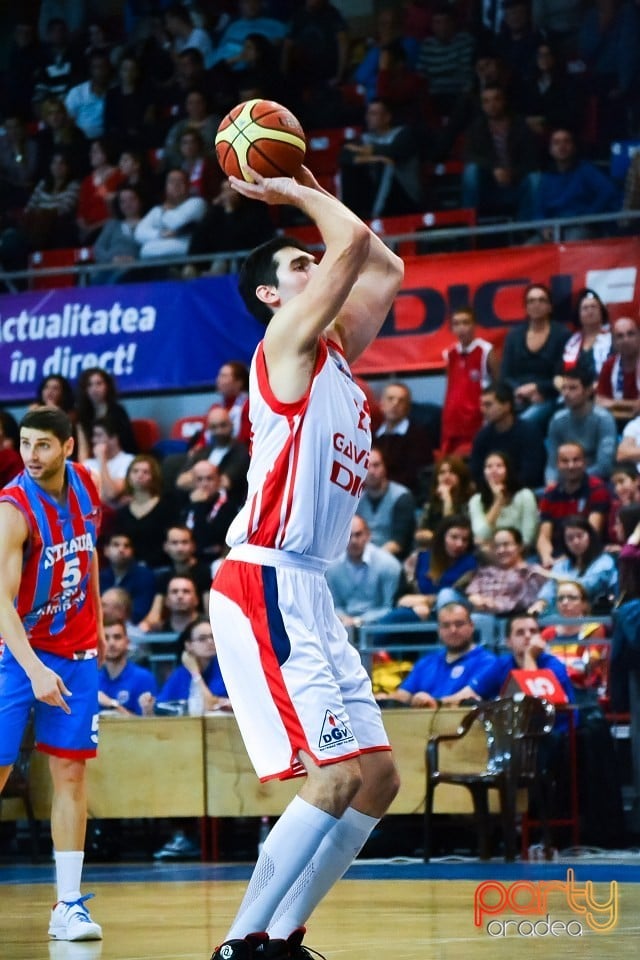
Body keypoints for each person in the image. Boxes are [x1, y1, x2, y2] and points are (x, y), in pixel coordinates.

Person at [208, 157, 403, 959]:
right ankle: (239, 944)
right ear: (270, 295)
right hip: (263, 576)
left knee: (378, 778)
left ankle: (283, 940)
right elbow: (352, 240)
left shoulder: (338, 355)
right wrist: (288, 189)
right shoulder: (283, 340)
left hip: (309, 589)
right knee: (328, 779)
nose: (315, 266)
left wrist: (309, 174)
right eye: (298, 264)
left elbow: (382, 263)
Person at [0, 407, 103, 941]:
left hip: (76, 652)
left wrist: (101, 627)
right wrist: (34, 667)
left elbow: (90, 561)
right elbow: (0, 601)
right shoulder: (13, 509)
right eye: (24, 444)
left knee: (71, 774)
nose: (31, 455)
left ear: (67, 448)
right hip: (16, 653)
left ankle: (68, 906)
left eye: (43, 445)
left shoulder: (87, 485)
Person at [377, 601, 496, 706]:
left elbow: (467, 696)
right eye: (446, 625)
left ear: (472, 626)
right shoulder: (426, 662)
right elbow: (404, 694)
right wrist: (385, 698)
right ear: (439, 630)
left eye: (459, 624)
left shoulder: (488, 662)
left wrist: (432, 702)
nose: (453, 630)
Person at [444, 612, 575, 706]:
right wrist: (436, 702)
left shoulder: (553, 665)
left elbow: (536, 707)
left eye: (533, 631)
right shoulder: (501, 664)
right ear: (508, 642)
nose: (528, 636)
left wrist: (529, 657)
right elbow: (467, 693)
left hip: (557, 735)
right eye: (520, 632)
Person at [499, 282, 570, 432]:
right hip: (516, 396)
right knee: (493, 421)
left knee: (522, 424)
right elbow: (505, 374)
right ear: (526, 307)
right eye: (531, 301)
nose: (536, 304)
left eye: (541, 300)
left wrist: (538, 388)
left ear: (550, 307)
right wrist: (518, 391)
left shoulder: (562, 335)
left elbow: (563, 376)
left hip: (549, 397)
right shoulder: (514, 335)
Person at [381, 515, 477, 624]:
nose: (459, 544)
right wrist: (416, 604)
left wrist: (426, 601)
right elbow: (401, 598)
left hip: (453, 617)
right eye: (454, 537)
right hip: (417, 612)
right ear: (442, 537)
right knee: (396, 618)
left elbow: (465, 598)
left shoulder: (472, 565)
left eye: (465, 540)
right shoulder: (418, 559)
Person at [339, 98, 424, 219]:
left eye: (374, 113)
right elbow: (345, 155)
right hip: (374, 193)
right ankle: (348, 217)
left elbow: (392, 151)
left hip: (404, 195)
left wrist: (368, 153)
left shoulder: (404, 134)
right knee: (350, 168)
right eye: (368, 113)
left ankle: (376, 215)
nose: (369, 117)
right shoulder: (365, 138)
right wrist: (375, 158)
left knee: (385, 164)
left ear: (387, 117)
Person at [531, 127, 620, 241]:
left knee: (572, 244)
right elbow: (539, 211)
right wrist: (543, 227)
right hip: (553, 230)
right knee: (526, 250)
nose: (562, 146)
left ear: (573, 147)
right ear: (550, 150)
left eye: (566, 141)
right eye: (556, 143)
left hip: (580, 228)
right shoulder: (546, 178)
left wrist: (589, 216)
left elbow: (608, 191)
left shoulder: (586, 170)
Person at [536, 441, 611, 566]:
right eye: (565, 461)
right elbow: (544, 536)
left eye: (576, 460)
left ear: (584, 463)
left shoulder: (596, 488)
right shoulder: (550, 493)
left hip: (588, 555)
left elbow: (592, 533)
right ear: (557, 464)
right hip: (557, 556)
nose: (571, 466)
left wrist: (563, 562)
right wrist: (547, 558)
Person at [325, 515, 403, 630]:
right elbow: (334, 605)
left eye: (358, 534)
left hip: (379, 627)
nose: (354, 540)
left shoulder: (389, 565)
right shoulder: (332, 567)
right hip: (342, 626)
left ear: (368, 535)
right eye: (348, 535)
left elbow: (389, 607)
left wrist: (360, 621)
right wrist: (343, 618)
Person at [530, 515, 618, 614]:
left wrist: (550, 574)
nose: (576, 542)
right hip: (563, 616)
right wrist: (541, 602)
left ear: (589, 536)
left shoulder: (604, 561)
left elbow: (586, 587)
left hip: (596, 616)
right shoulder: (562, 565)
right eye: (570, 538)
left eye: (580, 536)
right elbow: (550, 588)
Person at [440, 306, 497, 456]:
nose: (461, 328)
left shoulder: (485, 350)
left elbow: (498, 384)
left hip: (477, 421)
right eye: (456, 324)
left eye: (465, 323)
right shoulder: (449, 353)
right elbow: (450, 389)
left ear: (474, 325)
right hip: (453, 422)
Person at [545, 367, 618, 483]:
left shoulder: (604, 419)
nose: (566, 393)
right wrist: (551, 482)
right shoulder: (557, 420)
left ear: (588, 390)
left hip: (596, 483)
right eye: (564, 388)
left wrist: (574, 480)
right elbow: (552, 463)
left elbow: (604, 466)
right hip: (565, 482)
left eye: (573, 388)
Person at [470, 381, 546, 490]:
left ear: (507, 405)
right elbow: (476, 472)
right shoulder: (482, 436)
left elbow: (532, 473)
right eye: (482, 405)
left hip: (523, 490)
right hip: (491, 491)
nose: (483, 410)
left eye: (488, 405)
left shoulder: (529, 432)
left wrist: (506, 489)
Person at [539, 580, 608, 693]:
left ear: (584, 603)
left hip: (584, 690)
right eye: (560, 598)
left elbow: (587, 666)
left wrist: (556, 665)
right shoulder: (548, 633)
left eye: (572, 598)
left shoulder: (594, 629)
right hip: (552, 689)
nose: (565, 602)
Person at [112, 454, 178, 570]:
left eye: (145, 472)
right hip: (131, 569)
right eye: (135, 471)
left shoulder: (167, 507)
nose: (139, 475)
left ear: (154, 476)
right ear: (128, 476)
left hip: (160, 567)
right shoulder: (123, 512)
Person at [373, 382, 436, 497]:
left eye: (401, 400)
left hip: (406, 496)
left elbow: (417, 476)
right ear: (381, 404)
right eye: (390, 399)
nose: (395, 404)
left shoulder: (418, 437)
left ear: (407, 407)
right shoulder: (372, 436)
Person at [465, 526, 546, 615]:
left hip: (513, 617)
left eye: (506, 545)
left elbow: (528, 601)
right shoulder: (486, 571)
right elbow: (472, 592)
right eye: (496, 546)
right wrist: (476, 598)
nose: (501, 550)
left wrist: (494, 605)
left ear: (520, 547)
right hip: (481, 613)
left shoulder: (532, 572)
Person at [468, 451, 539, 551]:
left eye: (499, 466)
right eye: (489, 467)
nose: (494, 470)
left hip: (520, 553)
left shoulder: (525, 495)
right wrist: (498, 501)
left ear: (508, 470)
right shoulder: (476, 500)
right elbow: (481, 535)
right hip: (490, 554)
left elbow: (528, 538)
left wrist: (508, 552)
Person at [356, 446, 416, 560]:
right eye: (366, 466)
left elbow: (398, 544)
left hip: (392, 560)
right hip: (359, 560)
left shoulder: (402, 497)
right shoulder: (357, 499)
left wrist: (371, 560)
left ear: (385, 467)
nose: (371, 471)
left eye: (376, 465)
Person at [134, 167, 207, 262]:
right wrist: (161, 234)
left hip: (185, 257)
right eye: (171, 182)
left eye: (180, 181)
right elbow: (139, 233)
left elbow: (177, 223)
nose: (176, 185)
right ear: (166, 187)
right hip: (153, 261)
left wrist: (165, 212)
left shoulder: (197, 203)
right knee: (145, 250)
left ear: (188, 186)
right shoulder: (157, 210)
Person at [179, 460, 239, 562]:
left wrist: (199, 505)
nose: (205, 484)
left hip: (215, 561)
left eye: (209, 478)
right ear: (193, 482)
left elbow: (208, 538)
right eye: (199, 479)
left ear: (219, 481)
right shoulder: (184, 502)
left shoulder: (230, 506)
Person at [98, 618, 157, 716]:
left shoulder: (143, 678)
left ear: (127, 642)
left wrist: (113, 705)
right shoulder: (92, 680)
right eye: (105, 638)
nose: (111, 643)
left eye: (117, 637)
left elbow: (146, 726)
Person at [75, 367, 137, 460]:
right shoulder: (82, 416)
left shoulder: (118, 412)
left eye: (99, 383)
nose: (94, 388)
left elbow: (128, 444)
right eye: (89, 385)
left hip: (120, 459)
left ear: (107, 386)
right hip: (94, 461)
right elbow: (83, 449)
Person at [414, 455, 473, 549]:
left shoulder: (469, 503)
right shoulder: (431, 504)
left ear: (461, 476)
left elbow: (453, 533)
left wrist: (447, 500)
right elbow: (418, 534)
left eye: (452, 472)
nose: (447, 476)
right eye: (442, 472)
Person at [99, 531, 157, 626]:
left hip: (134, 627)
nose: (121, 549)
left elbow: (139, 611)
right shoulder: (100, 577)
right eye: (116, 545)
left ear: (132, 551)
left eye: (126, 546)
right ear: (106, 551)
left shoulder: (144, 576)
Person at [92, 184, 144, 284]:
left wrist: (134, 260)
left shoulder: (148, 224)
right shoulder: (112, 224)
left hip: (133, 271)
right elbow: (98, 248)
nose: (128, 204)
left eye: (132, 199)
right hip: (106, 268)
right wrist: (112, 259)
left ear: (139, 201)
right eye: (123, 201)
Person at [596, 316, 640, 430]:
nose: (626, 340)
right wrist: (632, 404)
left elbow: (608, 403)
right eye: (620, 336)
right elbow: (600, 401)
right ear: (614, 342)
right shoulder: (609, 365)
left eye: (631, 334)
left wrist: (614, 403)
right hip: (616, 421)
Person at [559, 288, 612, 383]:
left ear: (601, 311)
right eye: (585, 308)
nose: (590, 311)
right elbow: (560, 371)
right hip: (573, 393)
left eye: (593, 307)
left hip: (602, 390)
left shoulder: (612, 340)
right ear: (578, 314)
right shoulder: (571, 341)